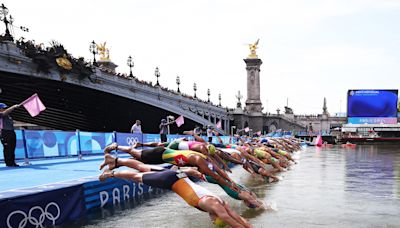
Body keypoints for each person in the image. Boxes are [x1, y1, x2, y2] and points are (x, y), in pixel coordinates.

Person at [99, 155, 252, 228]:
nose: (212, 221)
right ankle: (109, 174)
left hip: (178, 174)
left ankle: (115, 161)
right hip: (170, 180)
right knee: (136, 176)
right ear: (216, 216)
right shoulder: (213, 205)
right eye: (215, 221)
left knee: (141, 167)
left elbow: (238, 218)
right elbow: (232, 222)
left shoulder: (220, 203)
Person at [0, 103, 20, 167]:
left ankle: (13, 162)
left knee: (12, 148)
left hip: (11, 132)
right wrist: (13, 107)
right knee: (7, 148)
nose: (5, 109)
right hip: (4, 133)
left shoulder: (9, 116)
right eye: (4, 108)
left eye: (6, 108)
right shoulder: (1, 114)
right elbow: (4, 113)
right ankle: (8, 163)